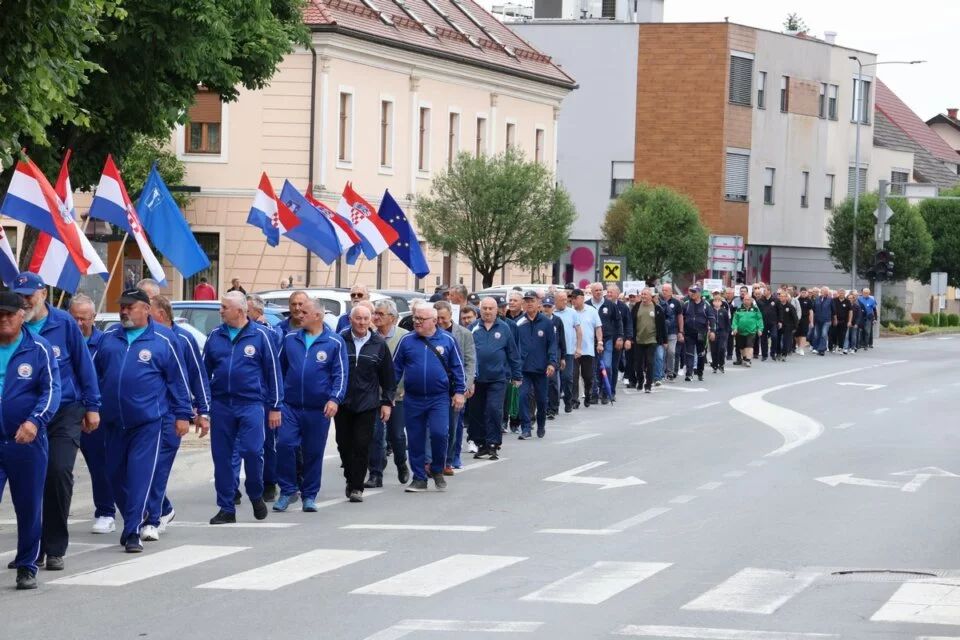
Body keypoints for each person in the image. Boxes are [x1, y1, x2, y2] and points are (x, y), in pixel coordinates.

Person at [11, 273, 99, 572]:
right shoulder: (11, 325)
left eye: (29, 295)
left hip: (64, 412)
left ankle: (55, 546)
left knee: (58, 473)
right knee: (30, 481)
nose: (24, 301)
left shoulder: (64, 324)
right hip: (26, 416)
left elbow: (83, 364)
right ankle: (32, 549)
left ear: (43, 295)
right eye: (19, 295)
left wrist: (92, 406)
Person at [93, 288, 192, 552]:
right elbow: (94, 375)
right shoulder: (109, 338)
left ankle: (133, 531)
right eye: (121, 306)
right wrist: (90, 407)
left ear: (146, 309)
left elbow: (178, 380)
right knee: (114, 475)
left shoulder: (163, 338)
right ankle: (134, 519)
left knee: (139, 476)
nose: (124, 311)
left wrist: (184, 414)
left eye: (130, 306)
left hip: (148, 422)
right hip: (113, 422)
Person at [0, 291, 61, 589]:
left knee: (28, 506)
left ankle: (26, 566)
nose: (4, 320)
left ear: (22, 315)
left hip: (26, 441)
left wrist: (35, 421)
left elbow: (51, 391)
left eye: (9, 315)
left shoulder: (39, 348)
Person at [203, 292, 281, 524]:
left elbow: (273, 372)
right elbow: (204, 373)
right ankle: (226, 507)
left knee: (252, 451)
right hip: (221, 404)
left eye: (224, 307)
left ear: (240, 310)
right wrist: (202, 407)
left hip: (251, 404)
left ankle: (256, 493)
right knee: (223, 458)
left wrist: (276, 406)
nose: (220, 310)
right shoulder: (215, 336)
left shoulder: (261, 336)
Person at [141, 295, 210, 541]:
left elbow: (197, 376)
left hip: (173, 414)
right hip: (146, 414)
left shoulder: (183, 338)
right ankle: (165, 508)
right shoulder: (143, 338)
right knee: (140, 468)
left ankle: (154, 516)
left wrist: (203, 412)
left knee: (158, 467)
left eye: (149, 311)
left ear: (161, 313)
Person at [274, 299, 345, 511]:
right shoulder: (290, 339)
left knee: (313, 452)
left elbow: (340, 374)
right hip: (291, 406)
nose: (299, 315)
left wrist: (334, 399)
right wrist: (277, 400)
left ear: (318, 316)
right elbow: (279, 371)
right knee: (285, 445)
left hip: (319, 408)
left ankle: (309, 495)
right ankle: (287, 490)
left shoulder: (334, 342)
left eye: (305, 312)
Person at [393, 305, 466, 492]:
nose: (416, 322)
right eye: (415, 318)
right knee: (415, 439)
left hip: (439, 398)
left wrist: (459, 392)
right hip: (413, 398)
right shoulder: (406, 341)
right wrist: (388, 394)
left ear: (434, 321)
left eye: (421, 319)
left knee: (440, 433)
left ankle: (437, 469)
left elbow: (458, 368)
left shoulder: (448, 340)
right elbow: (395, 369)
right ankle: (419, 477)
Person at [338, 305, 395, 502]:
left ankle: (356, 487)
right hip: (343, 402)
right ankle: (350, 477)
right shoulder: (340, 340)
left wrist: (387, 402)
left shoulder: (378, 343)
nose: (362, 322)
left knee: (362, 445)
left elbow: (388, 376)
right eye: (358, 318)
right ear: (350, 320)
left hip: (368, 403)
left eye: (365, 319)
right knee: (344, 445)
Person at [69, 295, 115, 535]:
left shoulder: (105, 344)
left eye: (83, 319)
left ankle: (106, 512)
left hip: (93, 416)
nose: (78, 323)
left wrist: (93, 409)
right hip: (65, 414)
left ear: (93, 318)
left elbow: (108, 382)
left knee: (100, 466)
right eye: (74, 317)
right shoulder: (62, 341)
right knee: (58, 468)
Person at [365, 299, 410, 488]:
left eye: (380, 314)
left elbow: (409, 366)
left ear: (392, 317)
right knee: (374, 436)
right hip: (373, 396)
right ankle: (375, 474)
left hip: (397, 396)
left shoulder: (405, 337)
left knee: (397, 435)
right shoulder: (369, 336)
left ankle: (401, 463)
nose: (375, 317)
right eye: (374, 313)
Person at [469, 298, 521, 460]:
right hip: (477, 379)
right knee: (476, 412)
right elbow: (466, 353)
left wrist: (516, 375)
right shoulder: (473, 328)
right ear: (480, 310)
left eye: (491, 308)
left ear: (496, 310)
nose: (487, 311)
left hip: (498, 378)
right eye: (484, 308)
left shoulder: (504, 328)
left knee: (493, 409)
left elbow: (513, 353)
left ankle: (493, 443)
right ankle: (481, 444)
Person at [244, 294, 283, 501]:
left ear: (257, 312)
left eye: (247, 310)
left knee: (267, 443)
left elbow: (275, 358)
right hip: (242, 399)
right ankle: (234, 488)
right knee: (241, 445)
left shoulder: (269, 331)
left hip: (265, 397)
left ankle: (269, 482)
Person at [435, 301, 476, 472]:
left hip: (455, 386)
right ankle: (434, 459)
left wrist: (466, 385)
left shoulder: (464, 334)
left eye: (443, 318)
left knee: (453, 425)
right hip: (435, 386)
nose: (440, 322)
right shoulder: (429, 333)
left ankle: (449, 460)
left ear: (451, 315)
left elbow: (470, 361)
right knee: (436, 426)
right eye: (437, 318)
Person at [515, 291, 558, 440]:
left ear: (538, 303)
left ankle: (541, 424)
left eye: (531, 300)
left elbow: (552, 344)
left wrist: (552, 363)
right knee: (522, 397)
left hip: (541, 368)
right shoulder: (519, 323)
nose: (529, 303)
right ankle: (526, 427)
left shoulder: (546, 323)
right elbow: (514, 346)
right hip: (523, 368)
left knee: (541, 399)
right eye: (526, 301)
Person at [585, 283, 621, 404]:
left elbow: (618, 322)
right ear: (592, 291)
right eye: (596, 290)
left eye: (601, 290)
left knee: (607, 366)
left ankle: (606, 392)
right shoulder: (587, 305)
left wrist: (620, 337)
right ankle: (594, 393)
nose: (599, 292)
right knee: (593, 368)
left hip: (607, 340)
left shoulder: (610, 305)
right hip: (591, 341)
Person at [631, 288, 667, 392]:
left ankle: (648, 385)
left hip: (652, 340)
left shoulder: (657, 308)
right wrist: (630, 337)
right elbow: (631, 322)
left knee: (650, 362)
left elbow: (662, 326)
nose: (643, 296)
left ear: (651, 296)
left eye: (645, 294)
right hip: (638, 339)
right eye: (642, 294)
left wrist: (664, 341)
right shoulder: (636, 307)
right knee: (638, 364)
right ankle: (640, 380)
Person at [570, 289, 602, 409]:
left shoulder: (592, 311)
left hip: (588, 349)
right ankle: (575, 400)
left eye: (575, 298)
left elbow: (598, 328)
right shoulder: (570, 312)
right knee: (574, 375)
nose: (572, 301)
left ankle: (588, 393)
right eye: (571, 298)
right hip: (573, 349)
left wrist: (600, 342)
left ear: (582, 298)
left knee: (587, 376)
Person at [552, 290, 582, 413]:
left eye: (566, 299)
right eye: (562, 300)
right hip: (554, 352)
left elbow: (579, 331)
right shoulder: (552, 313)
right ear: (555, 301)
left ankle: (568, 401)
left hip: (569, 351)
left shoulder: (572, 313)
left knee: (567, 378)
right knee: (554, 380)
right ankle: (554, 404)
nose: (565, 302)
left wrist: (579, 348)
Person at [679, 285, 716, 382]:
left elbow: (711, 318)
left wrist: (712, 331)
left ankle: (700, 373)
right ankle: (689, 374)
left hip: (701, 333)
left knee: (701, 354)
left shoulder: (706, 304)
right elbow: (681, 318)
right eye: (691, 291)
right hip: (689, 333)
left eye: (694, 291)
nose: (692, 293)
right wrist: (681, 332)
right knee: (689, 353)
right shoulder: (686, 304)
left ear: (699, 293)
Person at [540, 296, 566, 419]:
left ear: (553, 308)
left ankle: (553, 408)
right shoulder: (538, 320)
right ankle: (543, 407)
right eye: (545, 306)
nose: (546, 309)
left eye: (549, 307)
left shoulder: (557, 321)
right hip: (541, 354)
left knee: (553, 382)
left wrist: (563, 357)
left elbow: (562, 340)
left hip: (554, 355)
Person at [606, 285, 632, 401]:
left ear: (617, 294)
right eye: (608, 292)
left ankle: (611, 391)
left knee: (613, 366)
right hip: (604, 340)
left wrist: (627, 339)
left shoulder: (623, 307)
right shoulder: (603, 305)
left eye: (612, 292)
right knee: (604, 367)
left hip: (618, 341)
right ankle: (602, 390)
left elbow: (628, 325)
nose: (609, 294)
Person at [731, 295, 763, 367]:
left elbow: (759, 319)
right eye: (745, 299)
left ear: (751, 301)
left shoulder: (755, 309)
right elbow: (735, 320)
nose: (746, 301)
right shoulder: (739, 309)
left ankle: (748, 360)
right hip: (740, 331)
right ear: (743, 301)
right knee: (741, 347)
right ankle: (745, 358)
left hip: (751, 331)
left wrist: (760, 329)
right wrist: (734, 328)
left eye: (748, 299)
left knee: (749, 345)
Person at [659, 284, 682, 380]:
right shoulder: (658, 301)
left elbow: (680, 317)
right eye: (663, 290)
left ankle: (670, 372)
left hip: (672, 331)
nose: (664, 292)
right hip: (661, 332)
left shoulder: (676, 302)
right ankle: (661, 371)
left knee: (671, 351)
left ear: (671, 292)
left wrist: (681, 331)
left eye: (666, 290)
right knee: (661, 353)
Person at [709, 294, 731, 373]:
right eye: (715, 301)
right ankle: (715, 365)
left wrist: (727, 331)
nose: (717, 303)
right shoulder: (710, 310)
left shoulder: (724, 311)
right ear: (713, 302)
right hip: (713, 332)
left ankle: (721, 364)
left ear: (721, 303)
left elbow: (727, 322)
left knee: (721, 348)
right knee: (714, 349)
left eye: (719, 301)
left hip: (722, 332)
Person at [777, 290, 798, 362]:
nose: (782, 298)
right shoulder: (777, 305)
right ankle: (778, 353)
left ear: (786, 298)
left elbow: (795, 317)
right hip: (779, 325)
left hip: (788, 326)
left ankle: (784, 354)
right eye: (781, 296)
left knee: (786, 341)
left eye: (784, 296)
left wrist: (795, 326)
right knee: (777, 340)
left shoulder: (790, 306)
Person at [812, 287, 833, 356]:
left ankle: (822, 350)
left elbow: (833, 311)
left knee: (824, 334)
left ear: (827, 292)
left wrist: (834, 319)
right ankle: (816, 348)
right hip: (817, 320)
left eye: (825, 291)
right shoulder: (817, 299)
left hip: (827, 320)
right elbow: (813, 309)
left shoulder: (830, 300)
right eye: (822, 291)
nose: (823, 292)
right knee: (817, 334)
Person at [795, 287, 813, 356]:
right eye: (802, 292)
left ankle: (801, 348)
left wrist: (811, 322)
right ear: (800, 292)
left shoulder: (808, 300)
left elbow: (811, 311)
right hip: (797, 319)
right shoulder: (796, 300)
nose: (804, 294)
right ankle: (798, 346)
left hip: (805, 319)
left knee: (803, 334)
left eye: (805, 292)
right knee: (796, 335)